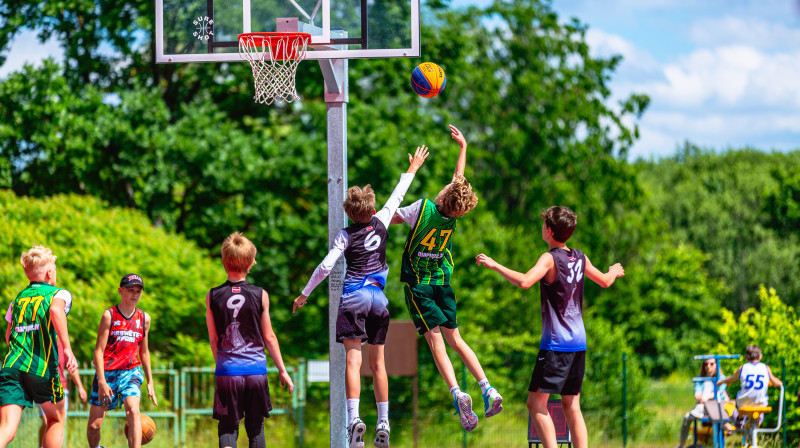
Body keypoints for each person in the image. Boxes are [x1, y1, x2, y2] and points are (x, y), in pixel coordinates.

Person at [294, 145, 429, 448]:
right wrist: (414, 167)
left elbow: (326, 266)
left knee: (353, 363)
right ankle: (384, 422)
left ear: (348, 212)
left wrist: (304, 294)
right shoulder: (381, 220)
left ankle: (354, 420)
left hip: (353, 297)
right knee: (378, 364)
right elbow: (399, 194)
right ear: (371, 207)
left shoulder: (345, 234)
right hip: (378, 299)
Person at [475, 206, 625, 448]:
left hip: (556, 346)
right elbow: (606, 281)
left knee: (535, 405)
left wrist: (495, 265)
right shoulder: (580, 257)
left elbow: (525, 281)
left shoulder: (549, 258)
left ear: (549, 230)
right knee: (571, 405)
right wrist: (613, 271)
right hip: (579, 345)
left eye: (544, 223)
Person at [390, 125, 501, 432]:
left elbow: (388, 216)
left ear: (443, 196)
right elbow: (458, 181)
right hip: (443, 282)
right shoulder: (452, 218)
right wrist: (463, 148)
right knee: (457, 339)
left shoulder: (421, 209)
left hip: (420, 286)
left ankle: (457, 391)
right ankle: (487, 387)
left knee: (436, 342)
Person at [206, 232, 294, 448]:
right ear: (251, 262)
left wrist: (224, 366)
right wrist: (282, 369)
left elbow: (214, 338)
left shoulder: (213, 295)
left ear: (225, 261)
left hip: (228, 371)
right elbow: (269, 336)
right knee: (255, 429)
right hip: (256, 372)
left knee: (228, 428)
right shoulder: (260, 294)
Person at [0, 245, 78, 448]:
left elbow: (9, 336)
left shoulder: (17, 299)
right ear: (50, 272)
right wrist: (67, 348)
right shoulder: (58, 294)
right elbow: (55, 310)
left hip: (12, 365)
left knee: (7, 428)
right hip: (40, 367)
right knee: (56, 419)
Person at [87, 274, 157, 448]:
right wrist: (102, 382)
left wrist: (150, 381)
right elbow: (98, 351)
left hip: (130, 371)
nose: (135, 294)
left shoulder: (144, 318)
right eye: (130, 290)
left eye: (138, 291)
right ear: (120, 291)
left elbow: (145, 351)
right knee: (95, 426)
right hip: (108, 373)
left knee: (133, 411)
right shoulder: (109, 315)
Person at [4, 306, 88, 448]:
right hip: (42, 382)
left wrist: (80, 387)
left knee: (56, 422)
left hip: (60, 387)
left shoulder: (61, 344)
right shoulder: (40, 342)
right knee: (47, 420)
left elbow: (71, 367)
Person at [717, 344, 783, 427]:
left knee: (737, 402)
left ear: (746, 357)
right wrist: (778, 383)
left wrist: (722, 381)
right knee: (759, 407)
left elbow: (731, 379)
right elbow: (774, 381)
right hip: (761, 402)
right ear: (760, 356)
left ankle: (739, 418)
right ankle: (758, 419)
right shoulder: (766, 368)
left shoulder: (742, 368)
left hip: (744, 402)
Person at [676, 358, 730, 448]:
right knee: (687, 418)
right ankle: (681, 445)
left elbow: (720, 392)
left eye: (711, 364)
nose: (708, 367)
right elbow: (697, 391)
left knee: (711, 387)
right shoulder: (700, 379)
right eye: (706, 364)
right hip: (702, 405)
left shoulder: (721, 379)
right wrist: (699, 396)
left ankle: (701, 410)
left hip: (716, 407)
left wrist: (707, 397)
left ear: (716, 365)